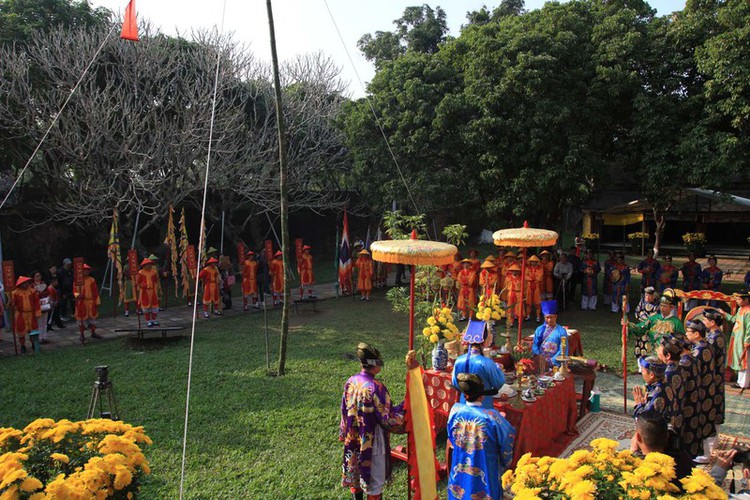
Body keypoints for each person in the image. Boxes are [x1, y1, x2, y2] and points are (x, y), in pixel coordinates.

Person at [339, 343, 412, 500]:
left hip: (352, 437)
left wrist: (344, 432)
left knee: (355, 475)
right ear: (374, 365)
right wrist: (405, 407)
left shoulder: (351, 381)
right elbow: (389, 419)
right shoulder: (376, 387)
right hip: (371, 440)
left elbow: (344, 411)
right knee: (374, 481)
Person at [447, 373, 516, 500]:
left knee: (460, 488)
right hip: (485, 464)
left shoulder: (455, 411)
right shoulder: (492, 417)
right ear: (482, 396)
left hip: (461, 460)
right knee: (485, 488)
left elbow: (451, 436)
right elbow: (508, 437)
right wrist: (505, 461)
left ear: (464, 394)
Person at [658, 335, 702, 458]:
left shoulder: (669, 373)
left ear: (668, 356)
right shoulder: (679, 367)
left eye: (659, 349)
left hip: (672, 418)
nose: (657, 351)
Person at [452, 320, 505, 410]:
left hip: (465, 402)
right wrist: (498, 369)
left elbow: (455, 384)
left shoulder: (459, 360)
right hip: (483, 403)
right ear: (484, 341)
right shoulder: (487, 363)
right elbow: (498, 383)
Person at [629, 409, 694, 484]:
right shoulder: (683, 459)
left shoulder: (637, 469)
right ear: (668, 435)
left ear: (637, 437)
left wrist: (632, 454)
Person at [685, 319, 717, 463]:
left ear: (697, 334)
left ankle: (703, 454)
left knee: (700, 422)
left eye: (689, 332)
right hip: (709, 387)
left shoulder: (698, 350)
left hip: (701, 390)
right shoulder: (707, 345)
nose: (686, 334)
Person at [627, 290, 685, 359]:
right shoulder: (653, 319)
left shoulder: (676, 322)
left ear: (671, 307)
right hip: (652, 352)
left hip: (668, 356)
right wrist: (628, 325)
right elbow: (640, 328)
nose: (662, 308)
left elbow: (682, 340)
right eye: (661, 306)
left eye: (665, 306)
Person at [702, 308, 727, 435]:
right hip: (717, 374)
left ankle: (711, 441)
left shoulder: (713, 338)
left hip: (713, 376)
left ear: (712, 322)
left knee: (711, 406)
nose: (703, 321)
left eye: (705, 319)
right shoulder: (718, 334)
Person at [633, 356, 673, 421]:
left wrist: (638, 405)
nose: (642, 373)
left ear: (651, 375)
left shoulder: (656, 393)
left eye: (643, 371)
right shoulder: (666, 384)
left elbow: (646, 421)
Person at [532, 300, 568, 369]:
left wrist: (551, 361)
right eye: (547, 317)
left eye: (551, 317)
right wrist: (538, 358)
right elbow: (535, 345)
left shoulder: (561, 331)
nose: (549, 320)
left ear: (555, 316)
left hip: (554, 363)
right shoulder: (539, 330)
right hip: (540, 362)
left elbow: (563, 349)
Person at [725, 290, 750, 389]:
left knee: (744, 360)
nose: (738, 301)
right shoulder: (741, 309)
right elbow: (734, 319)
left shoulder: (748, 311)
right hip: (738, 338)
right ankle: (742, 381)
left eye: (739, 299)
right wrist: (725, 314)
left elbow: (749, 328)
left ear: (746, 299)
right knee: (740, 359)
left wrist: (747, 341)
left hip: (744, 339)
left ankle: (743, 383)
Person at [11, 276, 41, 353]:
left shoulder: (32, 291)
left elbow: (37, 302)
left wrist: (37, 312)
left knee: (33, 330)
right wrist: (10, 300)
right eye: (24, 283)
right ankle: (22, 346)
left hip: (31, 314)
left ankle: (34, 344)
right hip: (20, 314)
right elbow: (12, 304)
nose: (26, 284)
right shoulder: (15, 293)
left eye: (27, 283)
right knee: (21, 331)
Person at [75, 264, 101, 344]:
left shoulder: (91, 280)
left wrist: (97, 301)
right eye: (84, 270)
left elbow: (95, 291)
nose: (86, 272)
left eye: (87, 270)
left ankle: (93, 333)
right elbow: (74, 291)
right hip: (81, 302)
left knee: (93, 319)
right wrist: (77, 295)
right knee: (81, 319)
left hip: (91, 302)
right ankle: (82, 334)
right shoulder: (77, 281)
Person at [137, 258, 161, 327]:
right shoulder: (141, 273)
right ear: (144, 266)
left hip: (153, 291)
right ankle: (148, 321)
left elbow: (156, 281)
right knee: (145, 306)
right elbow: (138, 282)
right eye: (147, 265)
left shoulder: (153, 272)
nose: (148, 266)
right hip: (144, 291)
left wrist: (157, 289)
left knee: (154, 305)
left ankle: (153, 320)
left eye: (149, 265)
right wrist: (140, 288)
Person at [524, 255, 543, 321]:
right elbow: (525, 276)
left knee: (537, 301)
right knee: (528, 302)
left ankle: (538, 316)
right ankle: (528, 315)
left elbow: (540, 277)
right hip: (529, 286)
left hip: (537, 286)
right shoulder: (528, 268)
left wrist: (533, 279)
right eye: (532, 262)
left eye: (535, 262)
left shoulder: (540, 268)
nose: (533, 263)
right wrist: (531, 279)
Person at [31, 271, 50, 343]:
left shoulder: (44, 284)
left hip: (45, 304)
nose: (38, 277)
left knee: (44, 321)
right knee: (38, 322)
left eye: (39, 276)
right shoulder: (32, 286)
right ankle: (39, 337)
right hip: (36, 306)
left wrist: (42, 293)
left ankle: (44, 337)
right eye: (36, 276)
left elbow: (48, 292)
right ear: (33, 277)